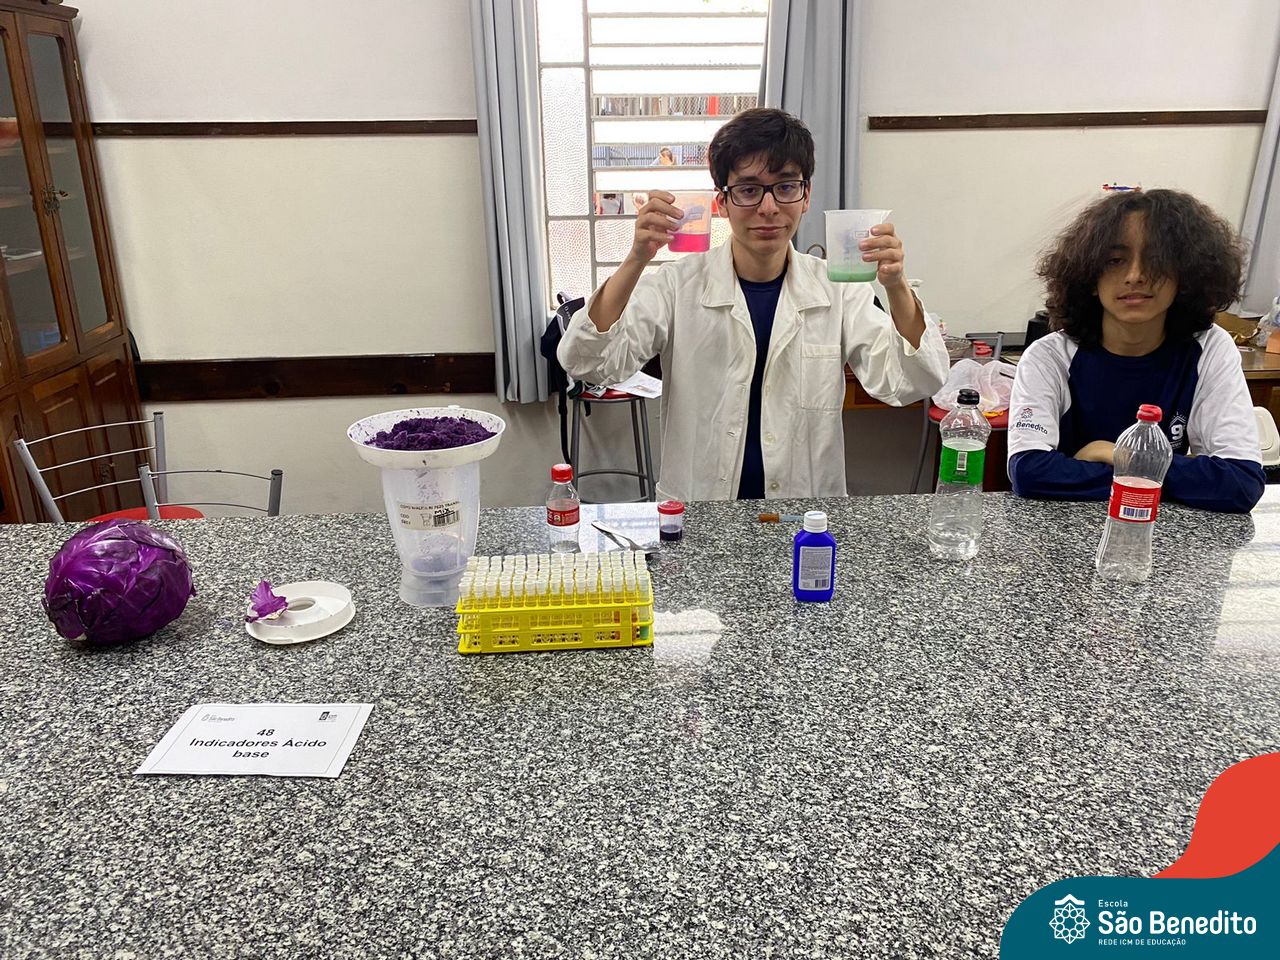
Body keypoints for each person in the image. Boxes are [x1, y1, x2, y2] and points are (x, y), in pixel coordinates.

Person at [558, 107, 949, 501]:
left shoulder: (838, 290)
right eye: (748, 189)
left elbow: (912, 382)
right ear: (721, 202)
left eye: (785, 187)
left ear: (806, 196)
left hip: (804, 512)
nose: (768, 208)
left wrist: (895, 285)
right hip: (701, 510)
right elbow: (588, 363)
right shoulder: (678, 285)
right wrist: (636, 258)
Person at [1008, 188, 1264, 513]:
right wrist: (1168, 475)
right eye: (1115, 261)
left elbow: (1240, 483)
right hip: (1061, 528)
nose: (1135, 276)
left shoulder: (1210, 347)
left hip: (1160, 531)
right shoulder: (1049, 357)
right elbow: (1029, 472)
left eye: (1156, 260)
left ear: (1185, 274)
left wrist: (1117, 455)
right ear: (1090, 276)